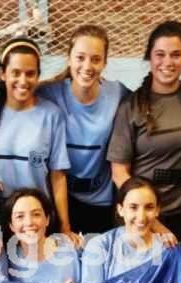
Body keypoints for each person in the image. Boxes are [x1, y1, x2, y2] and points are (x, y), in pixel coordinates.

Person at [107, 20, 181, 279]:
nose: (167, 62)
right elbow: (119, 173)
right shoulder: (131, 106)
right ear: (149, 57)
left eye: (176, 54)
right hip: (142, 217)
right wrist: (153, 222)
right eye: (160, 54)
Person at [0, 37, 76, 244]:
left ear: (38, 76)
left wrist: (65, 226)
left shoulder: (51, 115)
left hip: (35, 219)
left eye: (30, 73)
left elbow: (58, 176)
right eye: (16, 72)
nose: (23, 81)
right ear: (2, 73)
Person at [37, 25, 130, 235]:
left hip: (100, 202)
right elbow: (15, 91)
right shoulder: (49, 93)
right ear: (69, 59)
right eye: (80, 58)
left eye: (95, 59)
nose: (87, 66)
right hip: (61, 198)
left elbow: (145, 101)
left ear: (104, 62)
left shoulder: (117, 93)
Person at [81, 177, 169, 283]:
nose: (141, 217)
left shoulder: (166, 249)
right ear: (120, 209)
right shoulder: (99, 245)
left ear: (157, 210)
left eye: (149, 207)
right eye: (133, 207)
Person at [5, 188, 80, 283]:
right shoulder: (7, 262)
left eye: (36, 214)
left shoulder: (73, 246)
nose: (29, 222)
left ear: (47, 219)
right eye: (20, 216)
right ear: (11, 226)